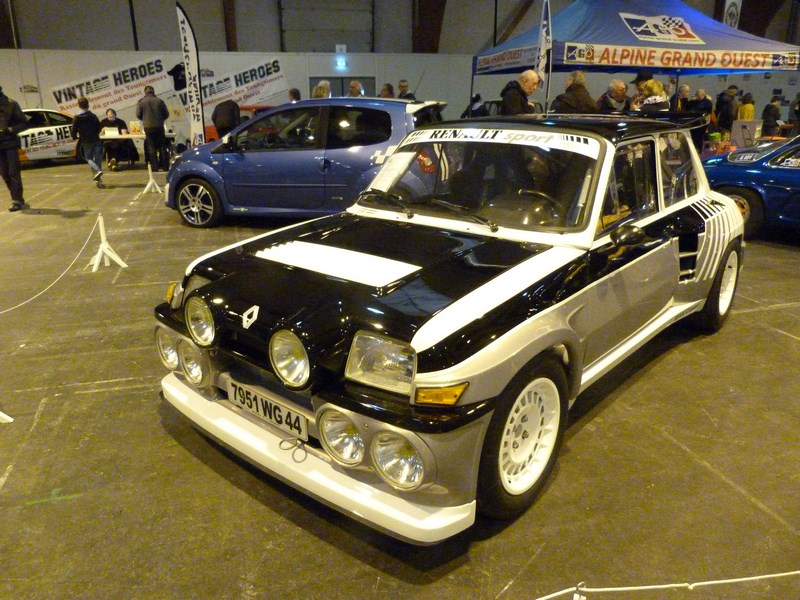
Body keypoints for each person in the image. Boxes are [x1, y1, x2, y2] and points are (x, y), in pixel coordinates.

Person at [0, 85, 29, 211]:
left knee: (13, 172)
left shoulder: (11, 104)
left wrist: (11, 129)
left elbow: (25, 123)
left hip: (10, 143)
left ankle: (17, 200)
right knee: (5, 174)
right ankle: (17, 197)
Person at [71, 96, 104, 186]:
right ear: (88, 105)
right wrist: (96, 133)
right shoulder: (93, 116)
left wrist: (74, 136)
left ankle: (97, 171)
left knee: (89, 158)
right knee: (98, 159)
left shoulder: (77, 117)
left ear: (79, 105)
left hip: (86, 140)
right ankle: (98, 179)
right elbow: (99, 126)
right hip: (96, 139)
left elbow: (74, 129)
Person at [136, 85, 170, 171]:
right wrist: (161, 119)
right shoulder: (160, 101)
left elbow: (138, 114)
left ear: (145, 92)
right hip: (159, 126)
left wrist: (145, 119)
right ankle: (165, 166)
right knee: (162, 146)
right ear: (153, 91)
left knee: (151, 147)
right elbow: (166, 114)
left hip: (148, 127)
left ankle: (155, 167)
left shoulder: (141, 101)